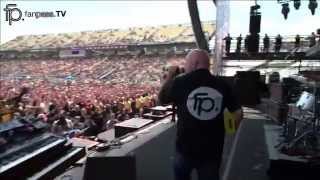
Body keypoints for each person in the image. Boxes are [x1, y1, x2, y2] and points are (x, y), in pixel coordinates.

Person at [158, 49, 243, 180]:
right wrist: (231, 127)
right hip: (212, 151)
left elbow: (162, 100)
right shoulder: (223, 84)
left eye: (186, 63)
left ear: (195, 63)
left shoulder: (180, 82)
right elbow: (238, 111)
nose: (185, 67)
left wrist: (169, 76)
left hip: (185, 149)